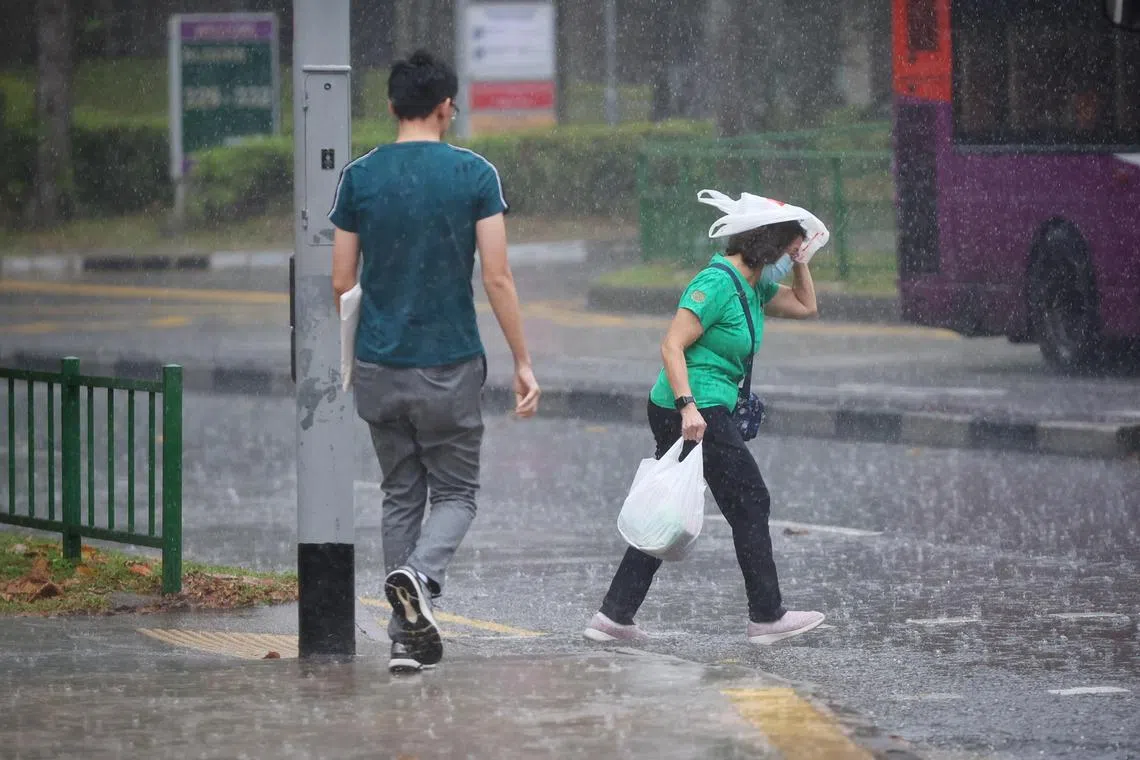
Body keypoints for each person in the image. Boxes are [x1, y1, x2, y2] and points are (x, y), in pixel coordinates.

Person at [330, 50, 541, 673]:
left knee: (400, 494)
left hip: (377, 366)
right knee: (457, 493)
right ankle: (419, 579)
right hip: (449, 365)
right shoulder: (475, 174)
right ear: (447, 106)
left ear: (393, 106)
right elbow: (497, 278)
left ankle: (405, 640)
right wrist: (523, 361)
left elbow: (342, 279)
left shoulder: (359, 176)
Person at [584, 199, 825, 647]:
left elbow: (806, 305)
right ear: (769, 243)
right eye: (791, 244)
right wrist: (688, 407)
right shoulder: (717, 282)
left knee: (668, 509)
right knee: (750, 499)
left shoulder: (753, 287)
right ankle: (767, 616)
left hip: (703, 407)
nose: (793, 251)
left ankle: (614, 616)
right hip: (693, 407)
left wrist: (802, 264)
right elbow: (672, 345)